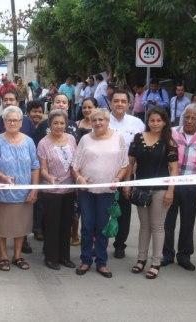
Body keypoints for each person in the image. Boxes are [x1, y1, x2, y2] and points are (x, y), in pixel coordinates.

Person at [72, 108, 128, 278]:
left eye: (100, 120)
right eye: (94, 120)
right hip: (87, 191)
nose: (97, 123)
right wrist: (79, 178)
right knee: (87, 226)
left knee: (103, 227)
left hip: (107, 191)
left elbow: (124, 164)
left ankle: (102, 262)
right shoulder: (85, 139)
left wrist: (118, 178)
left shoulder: (118, 139)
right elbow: (75, 166)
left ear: (107, 121)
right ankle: (86, 260)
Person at [124, 107, 178, 280]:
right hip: (140, 188)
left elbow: (174, 169)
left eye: (158, 120)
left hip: (161, 190)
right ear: (147, 122)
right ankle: (141, 259)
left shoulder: (169, 142)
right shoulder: (138, 138)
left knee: (157, 226)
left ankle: (156, 262)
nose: (155, 123)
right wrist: (127, 184)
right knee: (144, 225)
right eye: (152, 120)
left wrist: (170, 191)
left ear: (164, 122)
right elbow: (130, 163)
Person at [0, 106, 40, 272]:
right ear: (3, 122)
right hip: (2, 193)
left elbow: (35, 166)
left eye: (16, 120)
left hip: (24, 193)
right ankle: (3, 256)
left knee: (21, 226)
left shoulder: (29, 141)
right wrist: (3, 177)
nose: (12, 122)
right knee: (1, 226)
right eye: (9, 120)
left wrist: (34, 189)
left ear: (21, 122)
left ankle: (17, 255)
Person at [162, 104, 196, 271]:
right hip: (171, 184)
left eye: (194, 118)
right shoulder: (171, 132)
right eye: (187, 117)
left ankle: (184, 256)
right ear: (182, 117)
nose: (189, 121)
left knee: (188, 221)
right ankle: (167, 254)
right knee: (167, 221)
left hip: (191, 186)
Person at [37, 109, 77, 271]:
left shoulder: (72, 139)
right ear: (50, 124)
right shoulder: (43, 143)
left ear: (66, 124)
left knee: (66, 224)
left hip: (69, 189)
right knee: (52, 225)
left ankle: (64, 256)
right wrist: (49, 178)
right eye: (55, 123)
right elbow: (43, 169)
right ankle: (51, 257)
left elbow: (76, 163)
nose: (59, 126)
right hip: (51, 191)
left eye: (62, 123)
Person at [108, 90, 146, 259]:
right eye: (116, 101)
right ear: (110, 103)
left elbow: (142, 148)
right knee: (103, 208)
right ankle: (99, 242)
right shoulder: (102, 119)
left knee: (123, 209)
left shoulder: (137, 123)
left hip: (127, 172)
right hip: (104, 171)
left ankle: (119, 244)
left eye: (123, 101)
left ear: (129, 104)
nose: (120, 104)